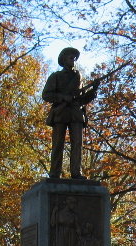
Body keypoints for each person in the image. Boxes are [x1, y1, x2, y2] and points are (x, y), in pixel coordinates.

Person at [42, 47, 100, 179]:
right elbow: (46, 95)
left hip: (76, 113)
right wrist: (63, 97)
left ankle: (76, 172)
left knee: (77, 145)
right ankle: (54, 173)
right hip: (61, 113)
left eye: (74, 58)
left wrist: (93, 90)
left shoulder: (78, 77)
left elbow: (83, 99)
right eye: (70, 57)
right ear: (63, 59)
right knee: (57, 144)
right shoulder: (56, 76)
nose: (73, 60)